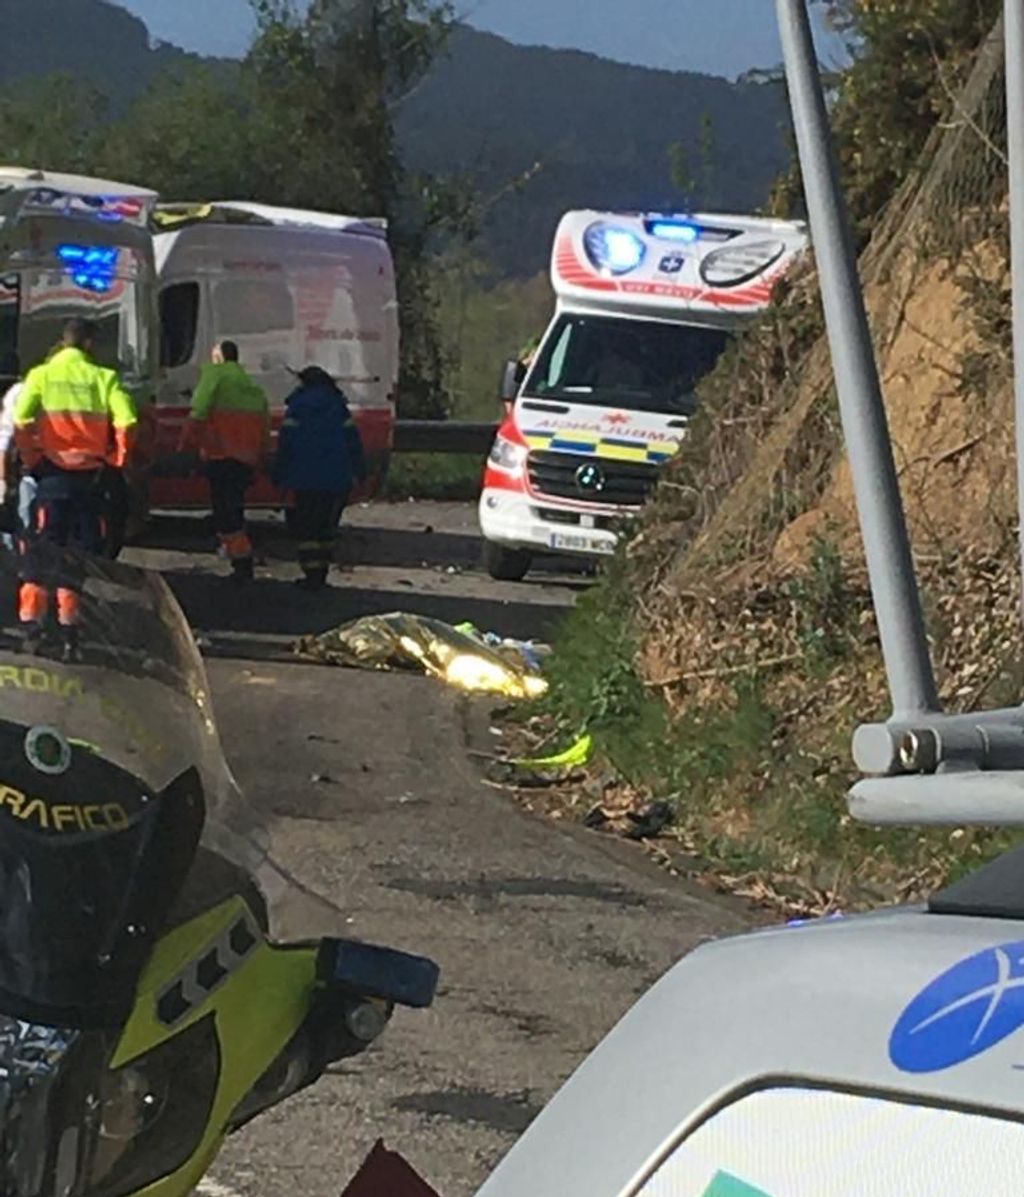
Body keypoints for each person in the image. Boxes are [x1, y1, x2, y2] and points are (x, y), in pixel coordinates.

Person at [13, 318, 137, 660]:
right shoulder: (104, 378)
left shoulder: (41, 375)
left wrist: (33, 459)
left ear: (62, 342)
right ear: (89, 346)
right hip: (91, 479)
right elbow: (127, 421)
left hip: (51, 476)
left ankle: (32, 630)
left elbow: (21, 420)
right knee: (76, 556)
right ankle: (70, 634)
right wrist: (117, 459)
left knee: (40, 552)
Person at [179, 341, 270, 584]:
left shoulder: (214, 377)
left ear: (219, 358)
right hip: (245, 459)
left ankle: (242, 560)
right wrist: (261, 457)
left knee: (226, 513)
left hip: (220, 456)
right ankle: (237, 556)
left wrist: (185, 446)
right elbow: (264, 428)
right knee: (234, 508)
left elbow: (198, 412)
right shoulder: (253, 388)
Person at [273, 366, 366, 591]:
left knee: (306, 528)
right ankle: (321, 573)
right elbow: (353, 442)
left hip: (304, 477)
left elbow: (286, 444)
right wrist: (359, 471)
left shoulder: (297, 407)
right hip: (335, 478)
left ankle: (311, 573)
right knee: (326, 526)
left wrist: (280, 474)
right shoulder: (338, 407)